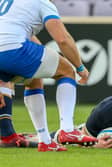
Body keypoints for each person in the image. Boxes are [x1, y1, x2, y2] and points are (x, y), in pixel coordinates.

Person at [0, 0, 97, 151]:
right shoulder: (42, 2)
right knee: (66, 71)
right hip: (14, 49)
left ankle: (45, 141)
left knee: (33, 80)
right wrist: (80, 67)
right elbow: (62, 39)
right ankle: (68, 130)